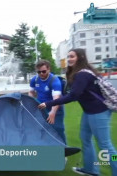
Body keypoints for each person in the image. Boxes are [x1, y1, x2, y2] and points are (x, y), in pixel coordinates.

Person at [38, 48, 117, 176]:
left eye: (72, 56)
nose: (69, 59)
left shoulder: (82, 74)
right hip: (89, 112)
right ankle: (90, 169)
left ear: (80, 57)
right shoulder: (81, 73)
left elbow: (73, 96)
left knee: (105, 145)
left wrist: (48, 103)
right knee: (85, 139)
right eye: (68, 56)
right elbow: (72, 92)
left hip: (99, 112)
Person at [29, 60, 66, 144]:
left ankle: (64, 151)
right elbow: (31, 92)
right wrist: (31, 101)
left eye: (43, 71)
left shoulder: (54, 80)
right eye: (39, 72)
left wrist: (53, 112)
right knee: (43, 129)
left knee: (58, 130)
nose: (41, 73)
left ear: (49, 69)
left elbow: (56, 98)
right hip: (42, 107)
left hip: (56, 108)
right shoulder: (34, 80)